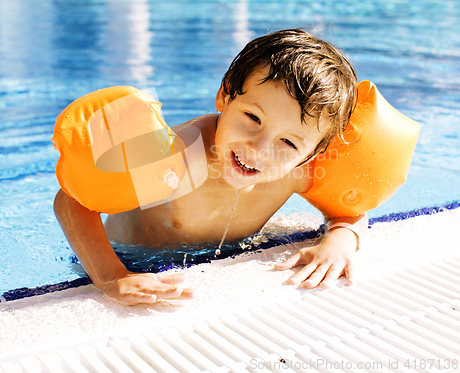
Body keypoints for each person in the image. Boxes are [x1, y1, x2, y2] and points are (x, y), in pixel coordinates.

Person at [53, 29, 368, 305]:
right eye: (253, 118)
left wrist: (340, 241)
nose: (258, 149)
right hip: (128, 257)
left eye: (288, 143)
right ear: (225, 94)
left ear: (312, 153)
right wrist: (110, 276)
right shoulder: (178, 157)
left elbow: (349, 206)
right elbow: (72, 200)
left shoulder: (300, 173)